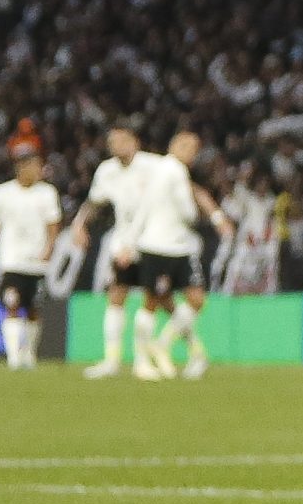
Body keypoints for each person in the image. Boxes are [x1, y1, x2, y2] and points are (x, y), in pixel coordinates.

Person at [131, 131, 235, 380]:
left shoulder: (158, 168)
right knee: (181, 301)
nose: (192, 153)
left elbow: (143, 206)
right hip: (171, 246)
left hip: (157, 244)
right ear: (175, 146)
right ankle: (152, 354)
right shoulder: (175, 170)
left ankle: (160, 351)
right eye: (189, 147)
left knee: (163, 302)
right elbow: (187, 209)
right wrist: (201, 217)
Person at [64, 125, 165, 379]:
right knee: (117, 296)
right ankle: (112, 360)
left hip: (154, 241)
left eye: (123, 139)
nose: (118, 145)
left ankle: (146, 359)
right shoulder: (107, 171)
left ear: (135, 141)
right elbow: (95, 202)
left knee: (157, 300)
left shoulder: (155, 166)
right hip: (123, 243)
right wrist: (79, 224)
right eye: (113, 141)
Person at [0, 127, 63, 370]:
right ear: (22, 168)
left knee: (34, 310)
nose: (39, 170)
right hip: (11, 261)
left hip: (37, 263)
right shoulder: (2, 193)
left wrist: (49, 249)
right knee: (12, 305)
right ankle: (14, 357)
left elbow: (53, 225)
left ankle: (29, 354)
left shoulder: (47, 193)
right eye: (35, 166)